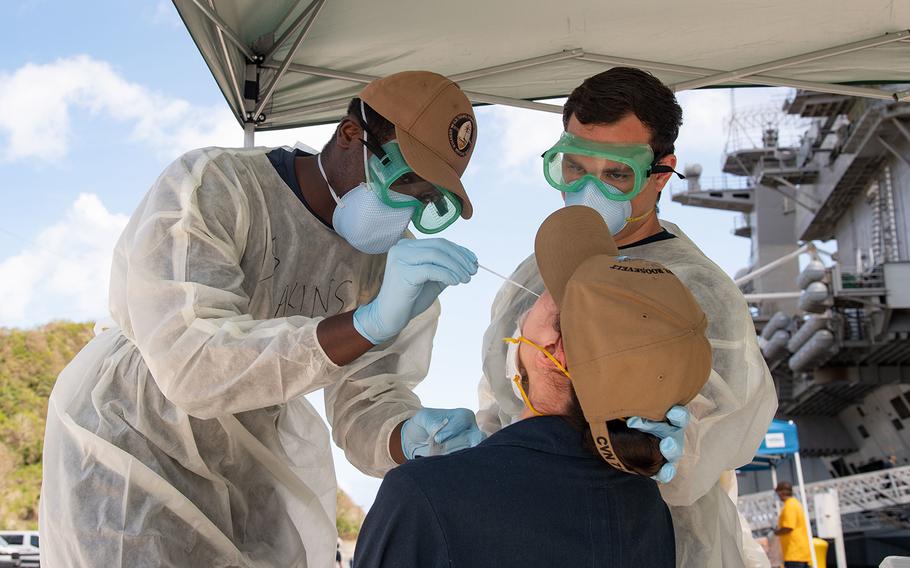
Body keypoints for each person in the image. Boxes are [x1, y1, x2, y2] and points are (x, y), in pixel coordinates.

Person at [40, 71, 486, 567]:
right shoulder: (216, 185)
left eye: (425, 202)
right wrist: (363, 326)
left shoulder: (396, 269)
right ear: (349, 135)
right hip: (134, 437)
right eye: (403, 182)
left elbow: (366, 405)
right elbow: (190, 365)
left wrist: (407, 434)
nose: (404, 213)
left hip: (251, 459)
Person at [476, 67, 778, 567]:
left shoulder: (699, 290)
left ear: (661, 172)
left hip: (658, 541)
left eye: (617, 174)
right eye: (574, 168)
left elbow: (698, 455)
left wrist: (675, 449)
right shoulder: (531, 275)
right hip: (534, 525)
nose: (590, 190)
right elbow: (500, 403)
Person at [354, 206, 713, 567]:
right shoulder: (646, 506)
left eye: (551, 293)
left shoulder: (422, 496)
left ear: (553, 349)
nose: (526, 309)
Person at [774, 481, 813, 568]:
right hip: (801, 553)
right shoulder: (795, 503)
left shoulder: (789, 506)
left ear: (782, 493)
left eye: (777, 493)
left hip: (794, 553)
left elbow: (788, 527)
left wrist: (776, 532)